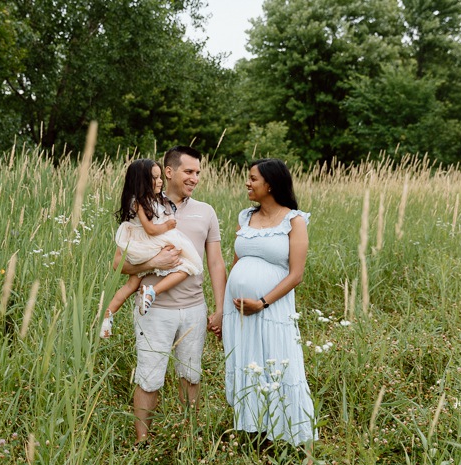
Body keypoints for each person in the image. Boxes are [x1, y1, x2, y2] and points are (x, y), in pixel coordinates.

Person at [111, 146, 226, 444]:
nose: (195, 178)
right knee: (149, 377)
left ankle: (189, 437)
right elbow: (119, 264)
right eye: (189, 171)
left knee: (191, 375)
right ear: (170, 172)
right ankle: (142, 441)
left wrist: (220, 308)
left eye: (198, 173)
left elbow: (215, 262)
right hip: (154, 311)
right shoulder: (146, 208)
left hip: (193, 310)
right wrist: (153, 263)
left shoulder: (206, 212)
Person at [219, 158, 316, 451]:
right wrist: (223, 313)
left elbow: (296, 274)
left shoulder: (293, 220)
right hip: (239, 314)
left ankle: (289, 437)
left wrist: (262, 302)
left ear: (271, 184)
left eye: (253, 179)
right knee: (249, 366)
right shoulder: (245, 217)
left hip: (272, 311)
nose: (247, 183)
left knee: (278, 366)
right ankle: (256, 432)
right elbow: (235, 264)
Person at [100, 159, 203, 338]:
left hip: (139, 245)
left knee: (132, 284)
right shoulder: (141, 202)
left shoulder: (143, 200)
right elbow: (151, 229)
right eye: (155, 178)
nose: (160, 181)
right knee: (189, 265)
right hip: (150, 241)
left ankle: (107, 316)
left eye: (159, 176)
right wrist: (168, 225)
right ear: (142, 182)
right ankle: (152, 291)